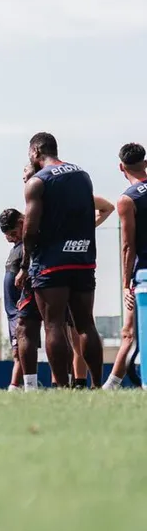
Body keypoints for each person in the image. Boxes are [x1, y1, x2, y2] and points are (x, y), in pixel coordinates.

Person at [19, 132, 102, 389]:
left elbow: (29, 230)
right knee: (86, 323)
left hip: (52, 262)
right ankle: (97, 385)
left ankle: (63, 386)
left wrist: (25, 265)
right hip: (83, 257)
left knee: (53, 324)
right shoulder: (82, 174)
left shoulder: (38, 181)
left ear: (35, 152)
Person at [104, 143, 147, 389]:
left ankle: (111, 386)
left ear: (121, 167)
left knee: (129, 332)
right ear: (146, 163)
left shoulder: (127, 199)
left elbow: (128, 246)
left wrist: (125, 285)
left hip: (143, 275)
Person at [0, 209, 28, 390]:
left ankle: (15, 387)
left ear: (22, 222)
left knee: (20, 351)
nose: (11, 238)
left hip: (20, 309)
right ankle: (21, 386)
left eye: (13, 233)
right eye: (8, 235)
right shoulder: (16, 247)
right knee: (17, 351)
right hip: (12, 312)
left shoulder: (27, 246)